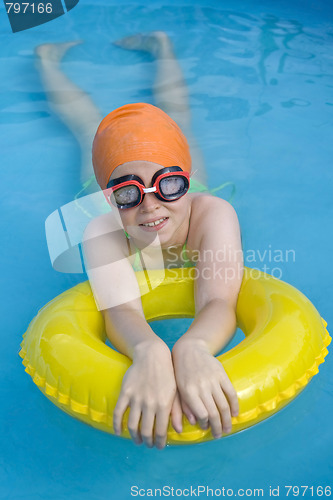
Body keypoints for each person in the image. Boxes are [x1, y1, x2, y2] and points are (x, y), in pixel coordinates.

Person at [36, 32, 243, 450]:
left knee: (178, 116)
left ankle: (163, 46)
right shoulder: (103, 227)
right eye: (129, 193)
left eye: (167, 184)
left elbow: (220, 302)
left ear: (182, 183)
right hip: (116, 196)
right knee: (87, 127)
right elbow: (121, 310)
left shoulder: (210, 213)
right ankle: (46, 60)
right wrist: (148, 349)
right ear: (108, 198)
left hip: (189, 197)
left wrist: (195, 345)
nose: (150, 207)